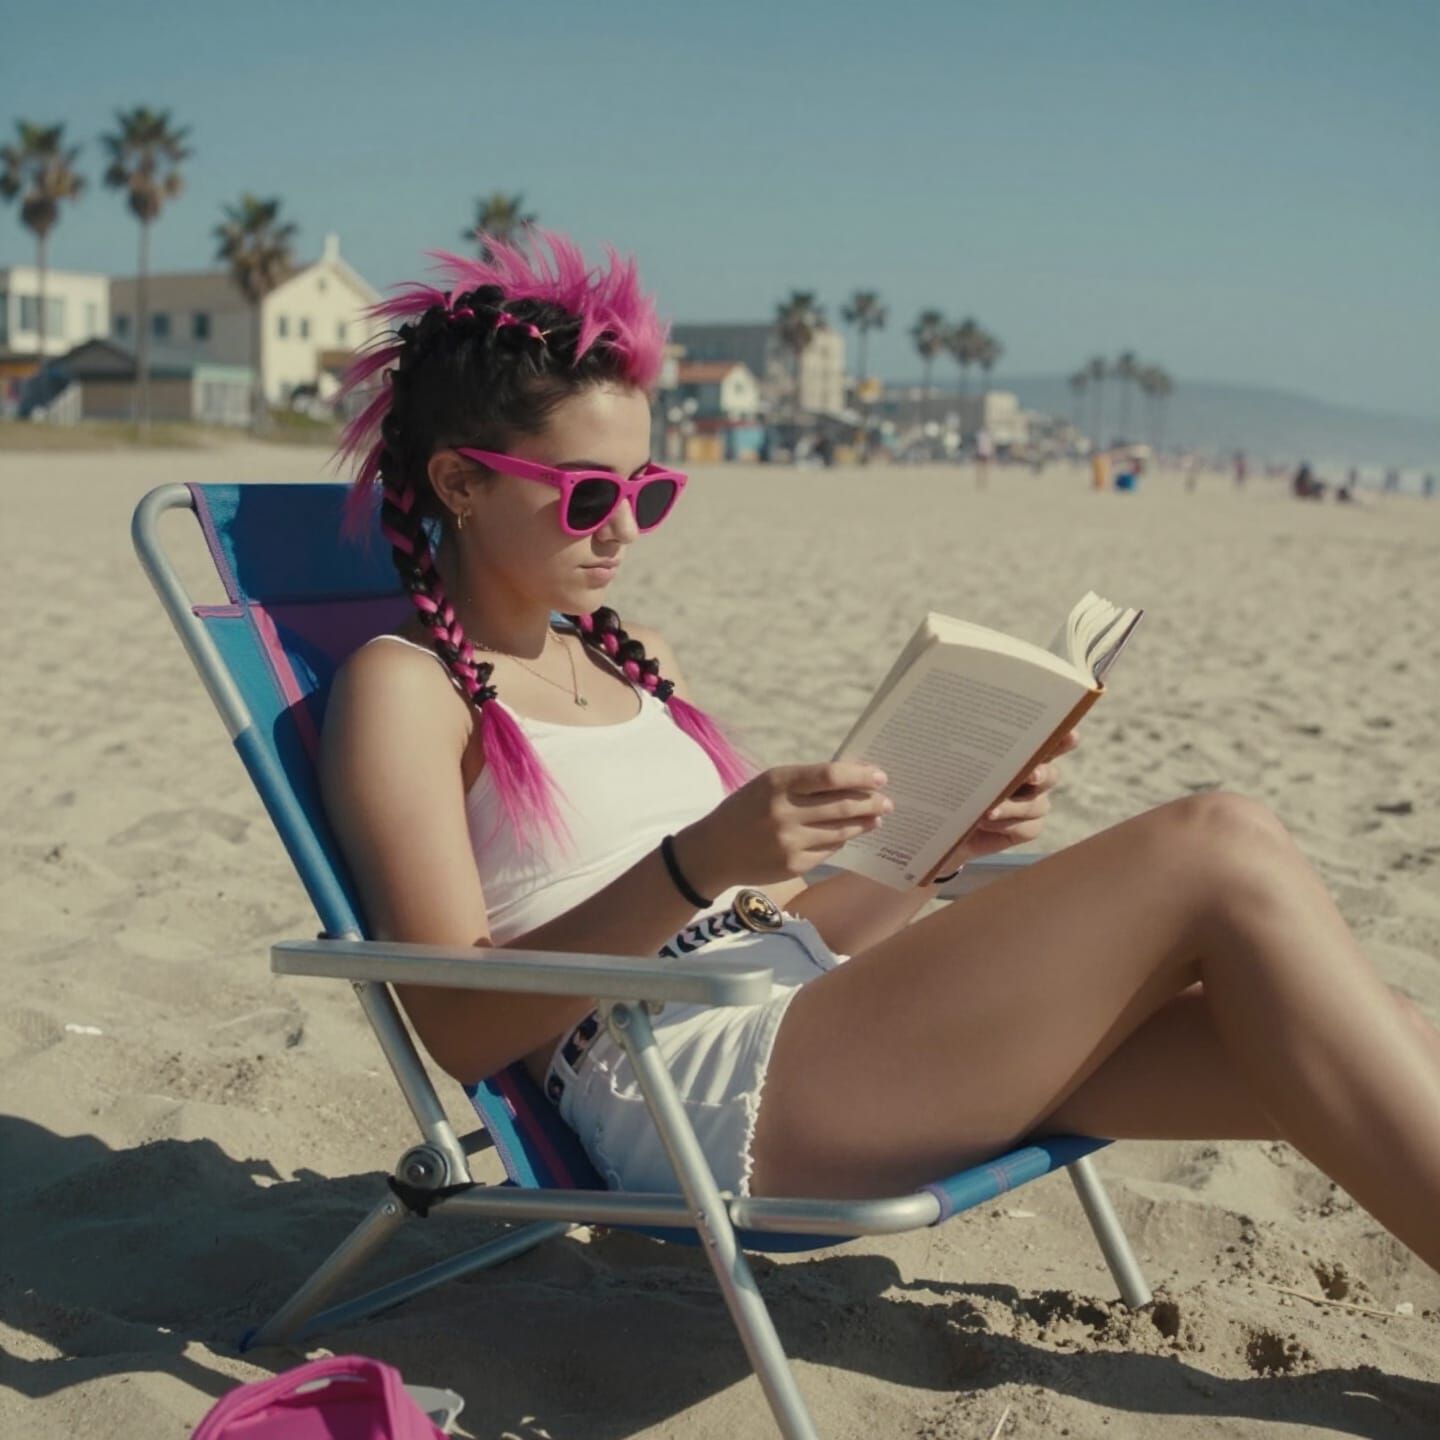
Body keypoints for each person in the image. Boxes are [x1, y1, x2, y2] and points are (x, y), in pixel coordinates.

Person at [319, 229, 1440, 1271]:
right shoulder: (404, 691)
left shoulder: (637, 659)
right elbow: (458, 1025)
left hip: (822, 1024)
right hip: (699, 1091)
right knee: (1220, 844)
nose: (622, 529)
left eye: (649, 491)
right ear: (462, 482)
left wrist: (938, 849)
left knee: (1371, 1032)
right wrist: (694, 864)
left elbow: (793, 929)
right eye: (588, 494)